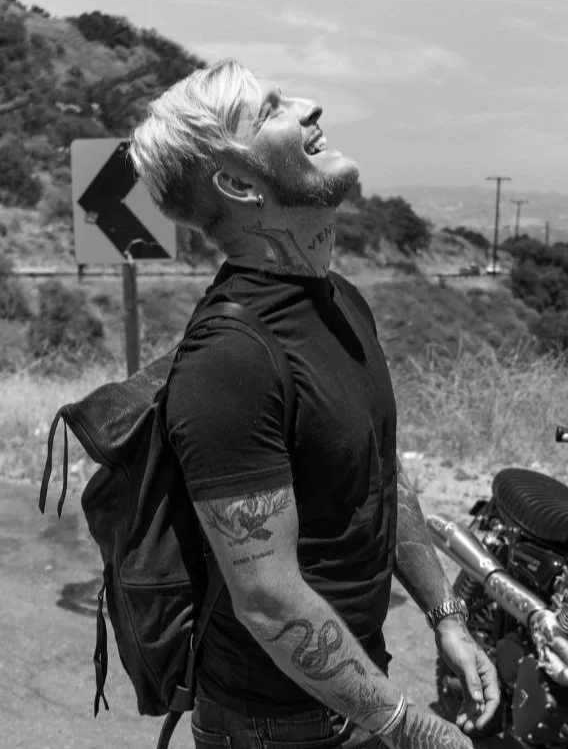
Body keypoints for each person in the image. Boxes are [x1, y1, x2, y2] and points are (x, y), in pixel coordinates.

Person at [128, 59, 500, 749]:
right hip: (273, 725)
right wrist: (407, 725)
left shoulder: (341, 301)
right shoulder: (229, 359)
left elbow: (378, 474)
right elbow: (267, 601)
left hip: (353, 696)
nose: (310, 106)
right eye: (270, 110)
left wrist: (444, 614)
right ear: (238, 183)